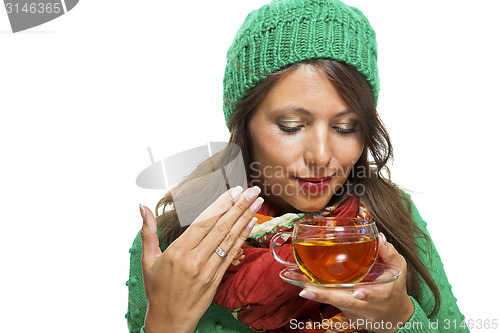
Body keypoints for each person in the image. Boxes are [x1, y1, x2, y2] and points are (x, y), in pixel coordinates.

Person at [126, 0, 468, 332]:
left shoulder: (394, 218)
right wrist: (166, 325)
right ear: (243, 126)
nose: (321, 155)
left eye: (346, 128)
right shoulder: (177, 242)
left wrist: (400, 320)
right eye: (291, 125)